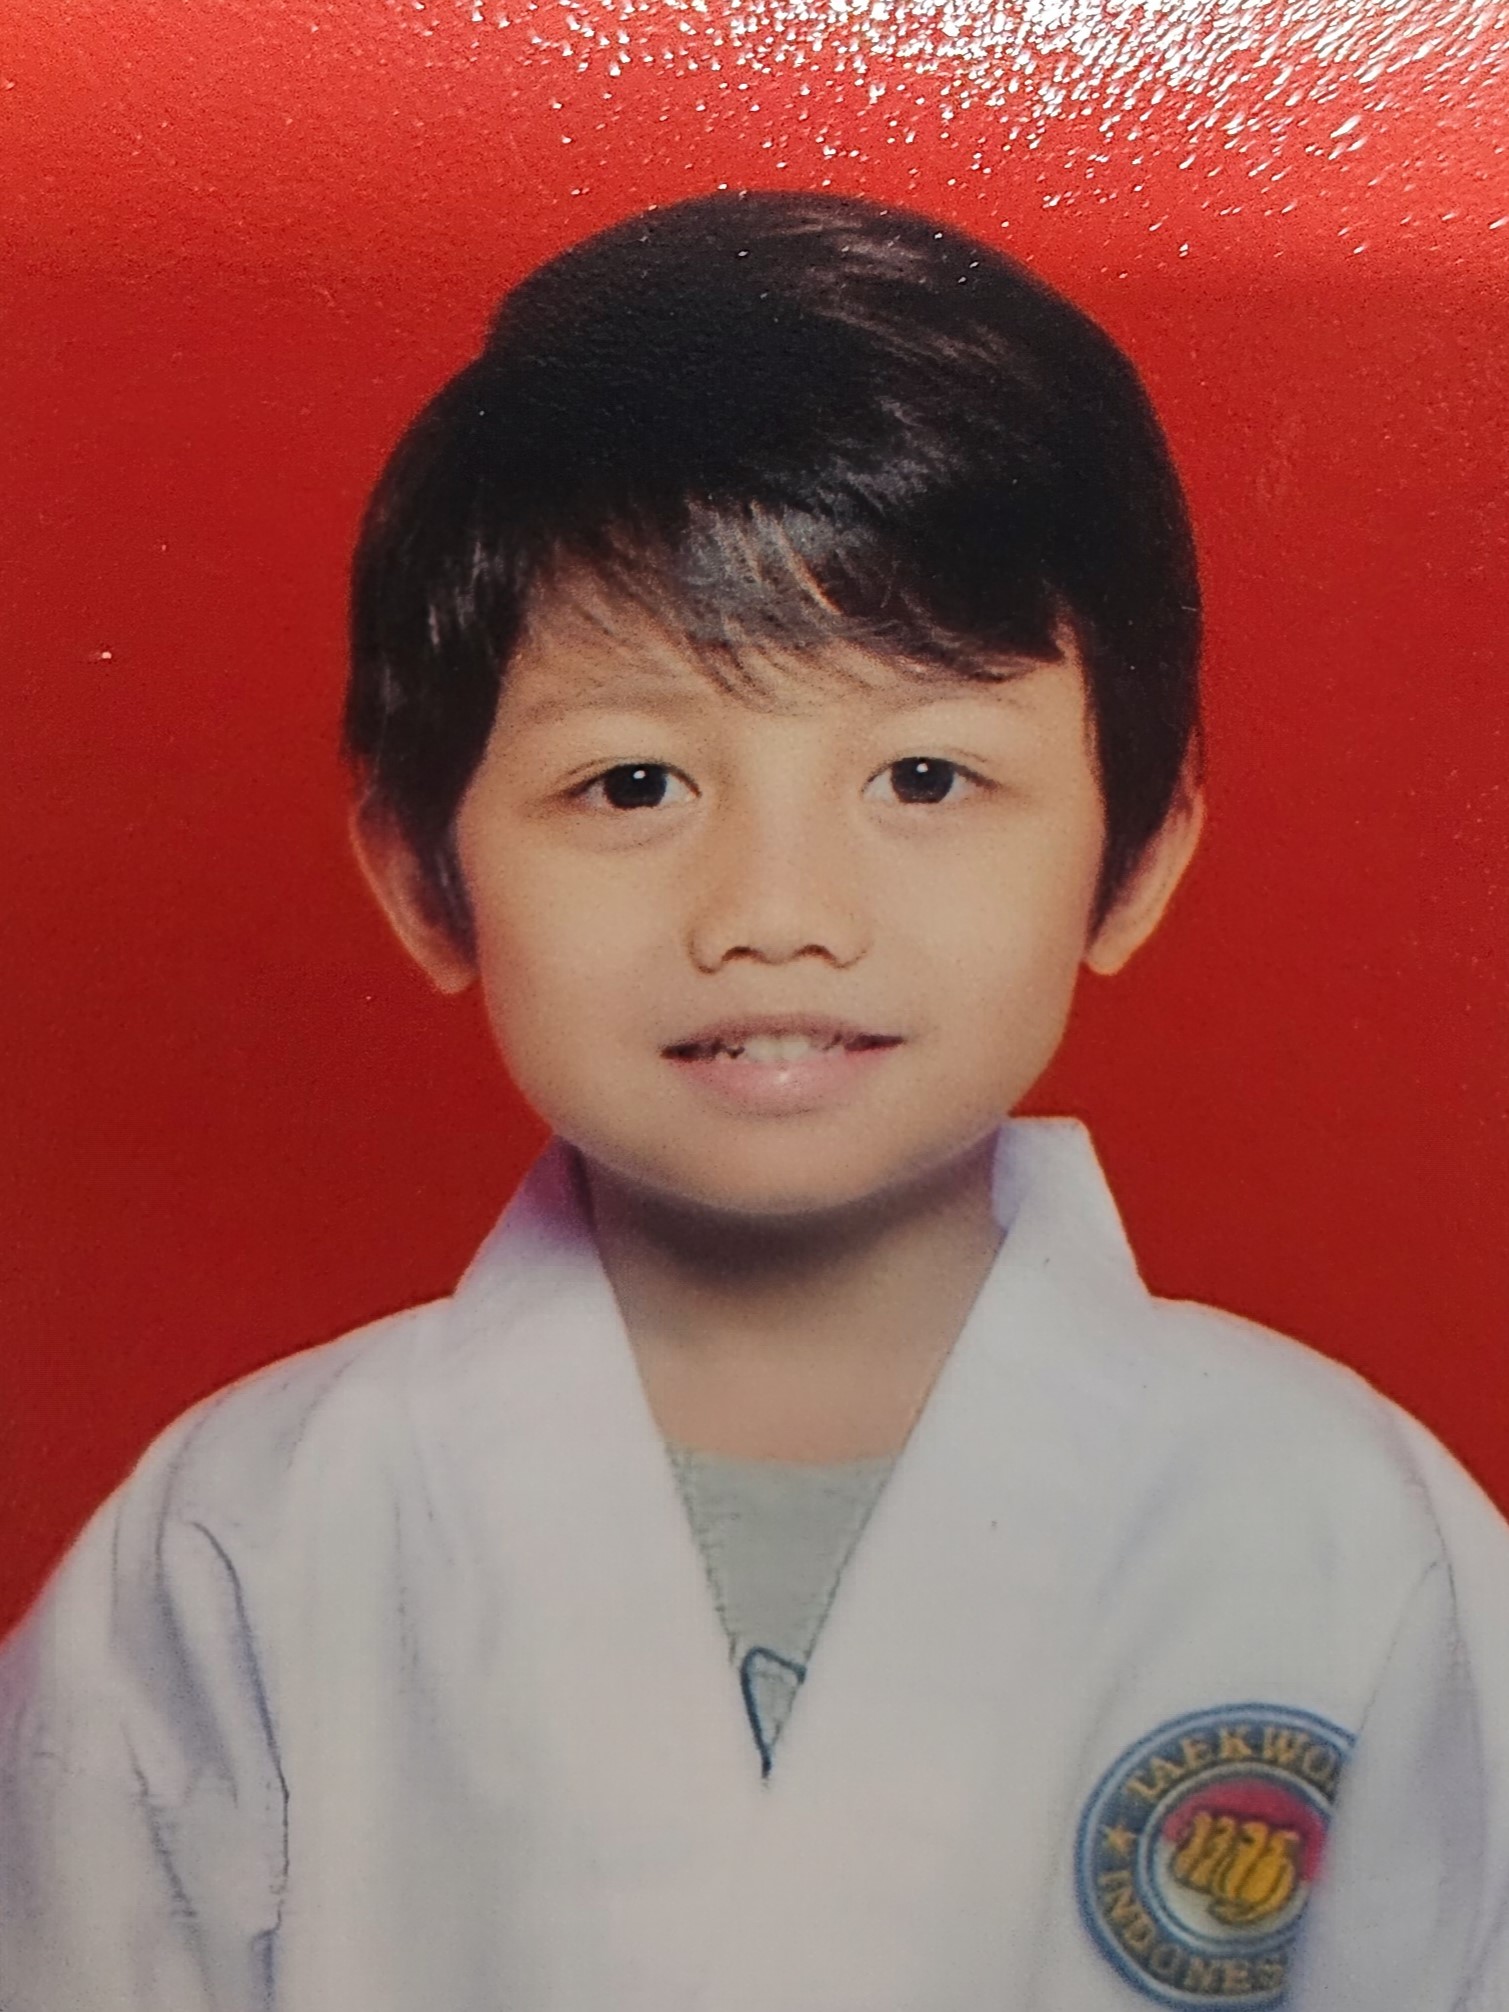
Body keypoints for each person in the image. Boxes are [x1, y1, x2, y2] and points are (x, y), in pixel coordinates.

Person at [1, 190, 1505, 2012]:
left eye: (925, 777)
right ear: (421, 873)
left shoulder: (1338, 1523)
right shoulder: (249, 1534)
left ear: (1136, 851)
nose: (775, 915)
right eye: (633, 784)